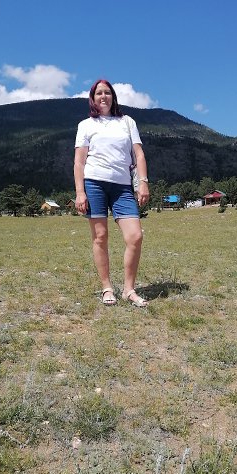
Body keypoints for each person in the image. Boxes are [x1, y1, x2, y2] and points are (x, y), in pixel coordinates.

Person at [74, 79, 150, 307]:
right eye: (99, 93)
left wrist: (143, 182)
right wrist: (80, 192)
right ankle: (107, 288)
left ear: (113, 96)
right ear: (93, 98)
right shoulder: (86, 125)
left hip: (122, 187)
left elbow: (139, 155)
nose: (103, 96)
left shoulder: (127, 122)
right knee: (100, 237)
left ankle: (128, 290)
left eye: (107, 92)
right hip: (94, 183)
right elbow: (79, 162)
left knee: (135, 236)